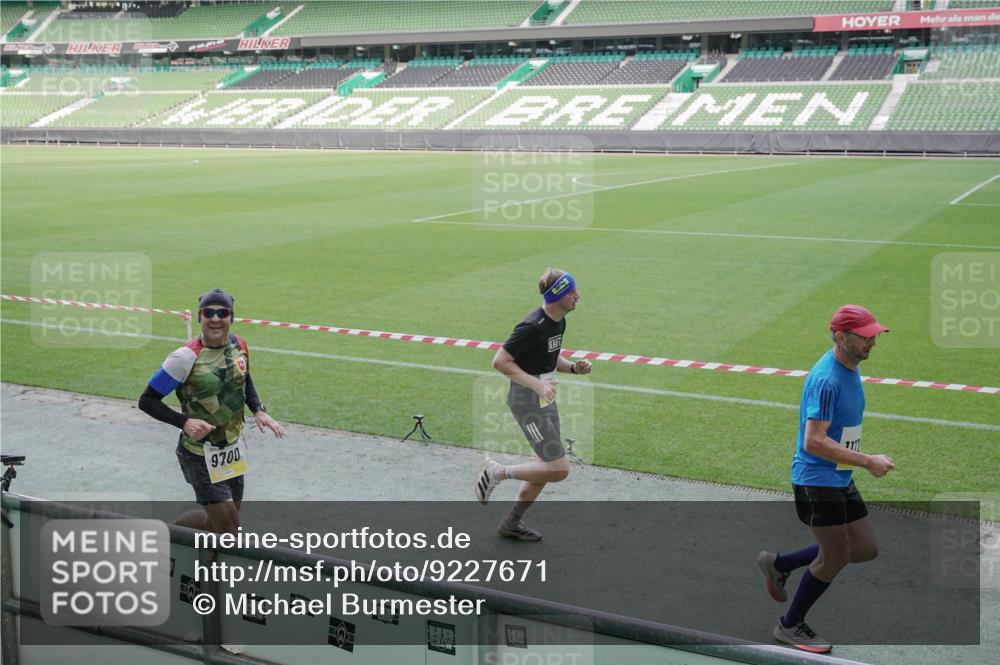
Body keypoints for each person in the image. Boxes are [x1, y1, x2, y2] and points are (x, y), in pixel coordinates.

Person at [758, 304, 895, 653]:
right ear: (840, 336)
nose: (872, 344)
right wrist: (868, 461)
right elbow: (814, 441)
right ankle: (790, 625)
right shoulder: (827, 379)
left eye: (873, 336)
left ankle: (780, 564)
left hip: (837, 474)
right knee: (835, 556)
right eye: (865, 338)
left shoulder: (848, 365)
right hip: (816, 479)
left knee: (864, 549)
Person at [138, 289, 285, 534]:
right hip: (198, 454)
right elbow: (147, 400)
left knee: (218, 524)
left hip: (231, 450)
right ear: (200, 317)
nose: (215, 318)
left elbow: (244, 378)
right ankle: (210, 570)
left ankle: (168, 535)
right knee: (229, 528)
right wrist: (184, 422)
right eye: (209, 312)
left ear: (231, 317)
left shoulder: (239, 345)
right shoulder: (184, 358)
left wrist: (258, 409)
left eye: (222, 312)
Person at [475, 268, 592, 541]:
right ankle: (497, 472)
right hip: (527, 401)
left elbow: (550, 354)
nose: (578, 296)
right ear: (558, 296)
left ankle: (511, 523)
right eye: (572, 292)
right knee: (559, 469)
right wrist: (537, 385)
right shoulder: (532, 326)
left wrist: (573, 368)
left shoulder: (557, 321)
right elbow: (500, 361)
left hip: (544, 398)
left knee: (545, 468)